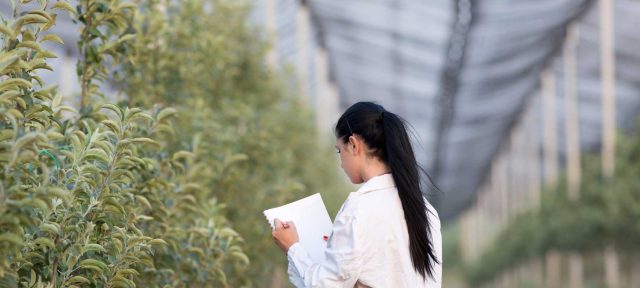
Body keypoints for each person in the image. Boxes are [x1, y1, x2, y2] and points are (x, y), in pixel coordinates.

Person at [272, 102, 442, 287]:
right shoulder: (425, 210)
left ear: (353, 145)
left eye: (339, 150)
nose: (341, 162)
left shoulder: (359, 210)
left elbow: (325, 285)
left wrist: (293, 248)